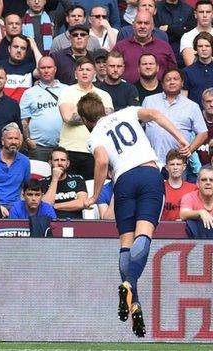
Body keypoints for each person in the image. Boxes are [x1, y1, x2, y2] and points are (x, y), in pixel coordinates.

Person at [77, 91, 189, 338]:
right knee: (145, 234)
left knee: (125, 244)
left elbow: (103, 160)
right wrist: (181, 138)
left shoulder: (94, 135)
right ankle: (129, 284)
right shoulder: (126, 112)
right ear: (105, 109)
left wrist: (95, 197)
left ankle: (134, 301)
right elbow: (156, 114)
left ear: (85, 120)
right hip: (148, 174)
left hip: (123, 182)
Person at [0, 122, 30, 216]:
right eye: (10, 138)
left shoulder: (25, 161)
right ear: (2, 141)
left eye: (16, 139)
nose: (13, 142)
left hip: (17, 206)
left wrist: (19, 207)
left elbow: (26, 188)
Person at [39, 147, 88, 219]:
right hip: (51, 222)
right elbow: (45, 206)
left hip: (75, 223)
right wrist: (55, 179)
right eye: (56, 160)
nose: (59, 163)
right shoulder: (42, 182)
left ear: (67, 163)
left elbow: (82, 203)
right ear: (50, 163)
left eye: (63, 160)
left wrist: (55, 206)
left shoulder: (78, 179)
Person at [162, 149, 197, 221]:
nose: (175, 168)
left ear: (184, 167)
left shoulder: (193, 189)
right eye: (172, 164)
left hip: (187, 230)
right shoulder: (159, 188)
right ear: (166, 167)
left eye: (178, 164)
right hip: (164, 229)